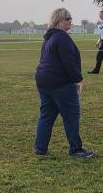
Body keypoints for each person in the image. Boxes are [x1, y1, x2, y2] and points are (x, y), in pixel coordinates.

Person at [34, 8, 94, 158]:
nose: (70, 21)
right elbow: (69, 62)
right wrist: (78, 79)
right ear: (58, 20)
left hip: (44, 81)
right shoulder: (62, 38)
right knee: (71, 116)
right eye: (67, 18)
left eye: (70, 18)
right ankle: (76, 149)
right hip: (60, 82)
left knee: (46, 115)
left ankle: (40, 148)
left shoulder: (49, 38)